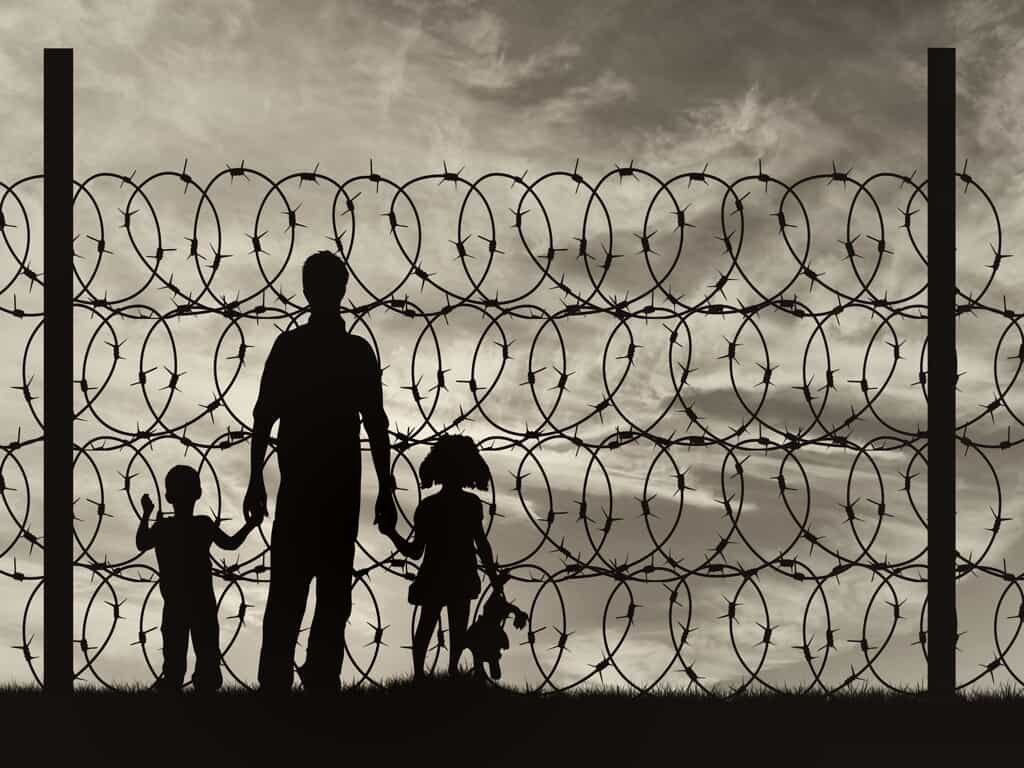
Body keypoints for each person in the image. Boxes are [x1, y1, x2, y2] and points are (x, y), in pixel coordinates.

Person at [245, 250, 397, 693]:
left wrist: (257, 477)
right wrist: (385, 488)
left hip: (306, 486)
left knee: (292, 591)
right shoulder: (354, 352)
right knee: (329, 592)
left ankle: (280, 684)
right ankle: (318, 680)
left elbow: (263, 417)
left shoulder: (291, 347)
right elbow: (377, 425)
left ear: (309, 290)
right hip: (337, 489)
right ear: (340, 289)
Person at [383, 434, 498, 679]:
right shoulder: (471, 504)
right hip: (461, 573)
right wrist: (493, 577)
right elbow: (482, 544)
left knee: (426, 626)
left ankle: (419, 677)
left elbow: (415, 552)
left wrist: (391, 533)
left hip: (435, 575)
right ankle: (452, 673)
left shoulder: (429, 506)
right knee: (456, 627)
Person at [136, 464, 258, 692]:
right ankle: (205, 705)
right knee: (207, 658)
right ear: (199, 494)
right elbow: (230, 544)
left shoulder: (164, 527)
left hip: (175, 603)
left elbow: (141, 542)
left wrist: (146, 514)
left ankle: (174, 701)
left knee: (174, 662)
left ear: (168, 496)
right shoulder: (203, 525)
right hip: (202, 602)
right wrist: (250, 525)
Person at [464, 571, 528, 681]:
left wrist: (519, 616)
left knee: (484, 654)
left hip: (487, 631)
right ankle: (481, 674)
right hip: (485, 630)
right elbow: (516, 611)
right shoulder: (497, 601)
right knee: (481, 653)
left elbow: (517, 612)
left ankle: (484, 673)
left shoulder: (501, 603)